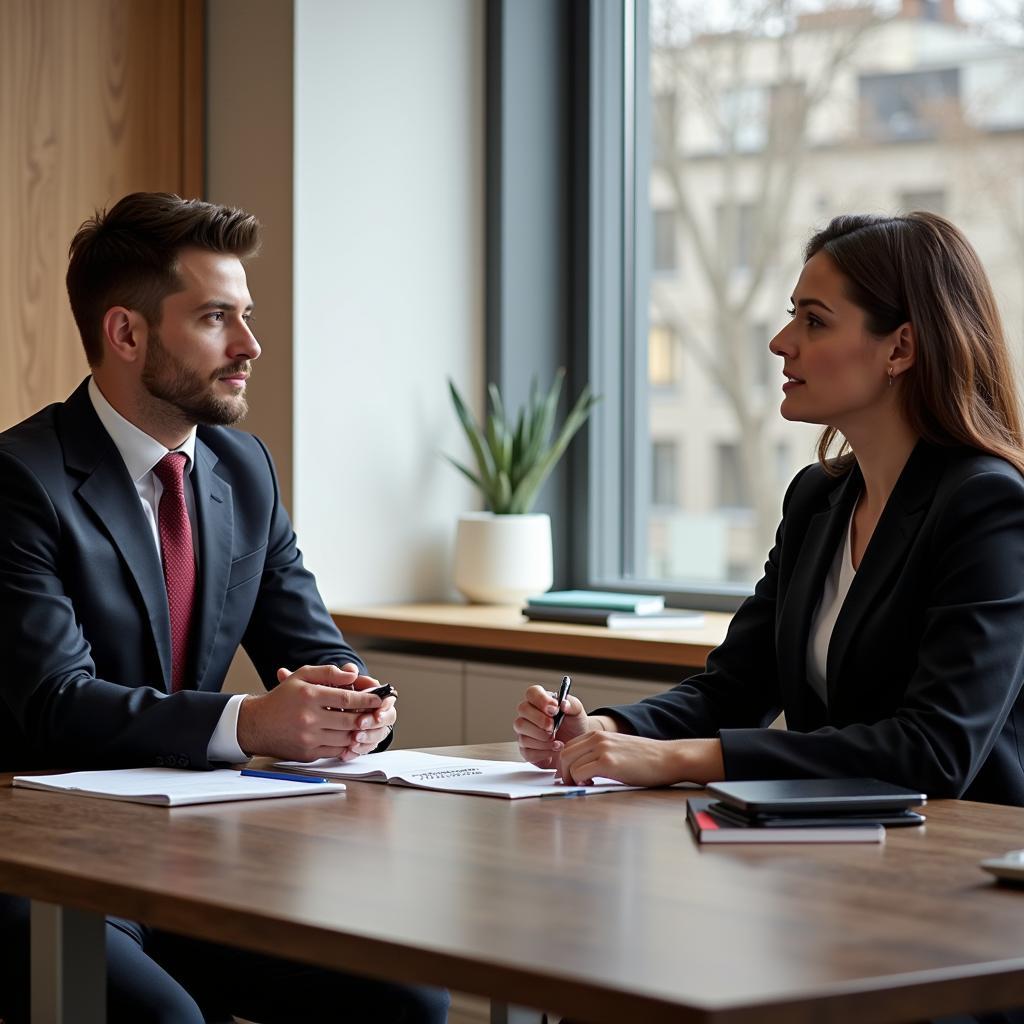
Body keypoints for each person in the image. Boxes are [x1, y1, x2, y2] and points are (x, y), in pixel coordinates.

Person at [0, 193, 448, 1023]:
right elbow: (53, 704)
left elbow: (321, 649)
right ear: (126, 333)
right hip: (41, 862)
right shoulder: (20, 480)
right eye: (216, 319)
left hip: (195, 856)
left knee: (408, 999)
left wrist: (352, 707)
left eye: (246, 316)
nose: (250, 346)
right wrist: (253, 725)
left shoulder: (243, 470)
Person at [514, 211, 1024, 806]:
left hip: (959, 864)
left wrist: (678, 758)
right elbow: (734, 688)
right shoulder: (817, 499)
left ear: (901, 347)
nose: (782, 343)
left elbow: (935, 751)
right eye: (793, 316)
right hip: (830, 853)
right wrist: (607, 731)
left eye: (814, 320)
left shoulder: (988, 505)